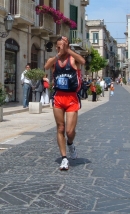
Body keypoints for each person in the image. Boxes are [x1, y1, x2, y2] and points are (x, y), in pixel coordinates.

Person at [44, 36, 85, 171]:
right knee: (60, 128)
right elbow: (46, 66)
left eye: (61, 46)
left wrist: (69, 50)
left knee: (70, 131)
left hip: (72, 97)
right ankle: (64, 158)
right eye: (58, 46)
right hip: (58, 97)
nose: (59, 48)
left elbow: (82, 61)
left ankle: (70, 143)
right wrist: (58, 55)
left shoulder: (72, 59)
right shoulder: (55, 61)